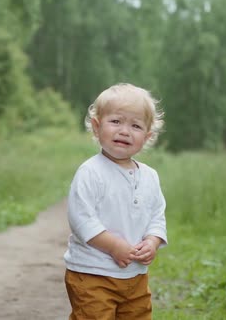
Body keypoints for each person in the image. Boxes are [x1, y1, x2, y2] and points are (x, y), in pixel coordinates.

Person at [63, 83, 167, 320]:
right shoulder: (91, 172)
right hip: (93, 273)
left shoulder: (150, 176)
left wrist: (152, 241)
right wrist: (113, 246)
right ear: (97, 127)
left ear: (147, 136)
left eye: (136, 125)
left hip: (135, 277)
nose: (125, 131)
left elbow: (157, 215)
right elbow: (81, 219)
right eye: (116, 121)